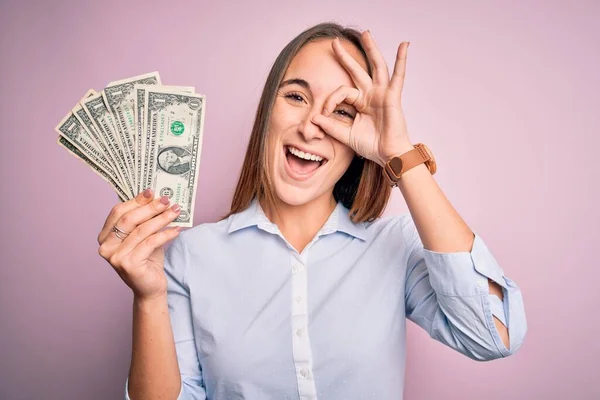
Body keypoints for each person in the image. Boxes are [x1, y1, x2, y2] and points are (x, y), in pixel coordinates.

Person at [97, 22, 527, 400]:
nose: (311, 126)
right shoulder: (189, 254)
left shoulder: (395, 246)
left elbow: (492, 335)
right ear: (269, 109)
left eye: (341, 111)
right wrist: (148, 298)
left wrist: (398, 152)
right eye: (297, 96)